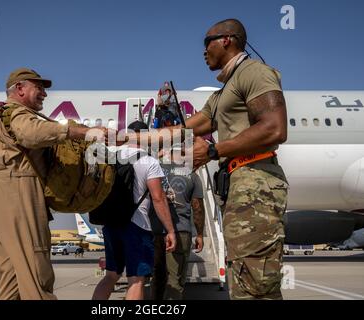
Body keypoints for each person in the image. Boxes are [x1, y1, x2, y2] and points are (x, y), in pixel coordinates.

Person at [130, 18, 288, 300]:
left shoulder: (255, 73)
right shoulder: (222, 94)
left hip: (256, 183)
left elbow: (275, 128)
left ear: (227, 40)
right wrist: (128, 139)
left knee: (257, 284)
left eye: (207, 42)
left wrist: (215, 151)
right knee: (244, 278)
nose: (204, 51)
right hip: (238, 185)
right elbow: (183, 129)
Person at [0, 67, 100, 300]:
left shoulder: (3, 114)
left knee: (12, 281)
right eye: (39, 88)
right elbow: (31, 133)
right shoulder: (16, 113)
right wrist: (77, 132)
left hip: (1, 198)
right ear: (20, 88)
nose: (44, 94)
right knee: (37, 275)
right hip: (19, 194)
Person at [92, 121, 177, 300]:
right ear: (145, 136)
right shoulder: (149, 161)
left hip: (111, 224)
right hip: (137, 226)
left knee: (111, 276)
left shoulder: (110, 157)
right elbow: (158, 198)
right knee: (136, 280)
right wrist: (170, 230)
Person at [150, 144, 205, 300]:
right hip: (180, 231)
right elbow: (198, 208)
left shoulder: (154, 170)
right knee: (175, 280)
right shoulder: (191, 175)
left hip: (155, 230)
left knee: (158, 278)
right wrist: (199, 234)